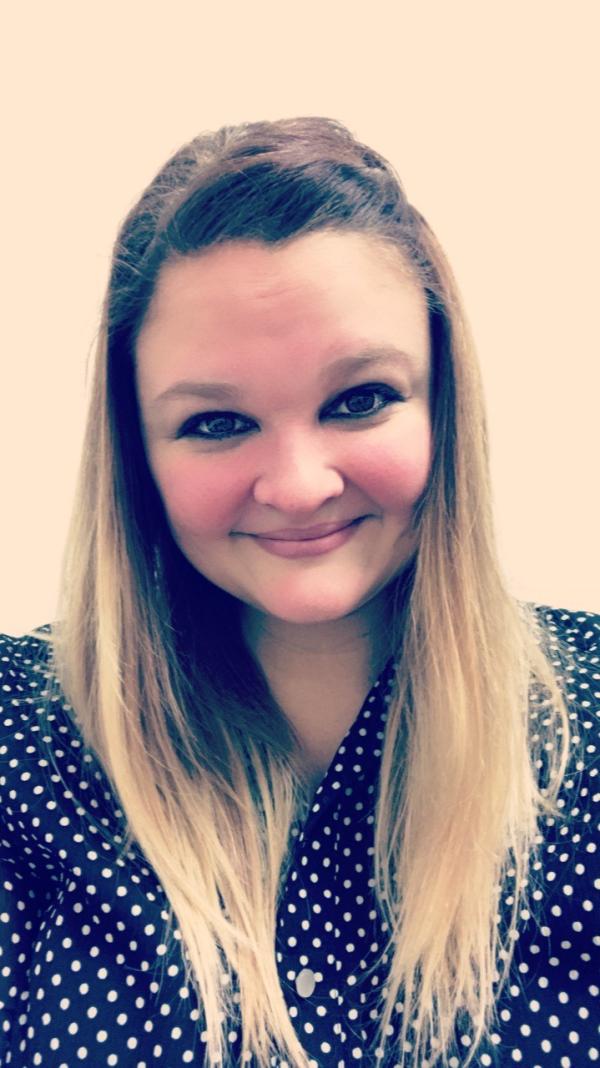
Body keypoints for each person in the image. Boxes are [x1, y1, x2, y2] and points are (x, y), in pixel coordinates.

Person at [0, 117, 598, 1068]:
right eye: (218, 421)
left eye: (359, 400)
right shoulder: (19, 743)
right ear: (136, 453)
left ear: (444, 402)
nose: (299, 484)